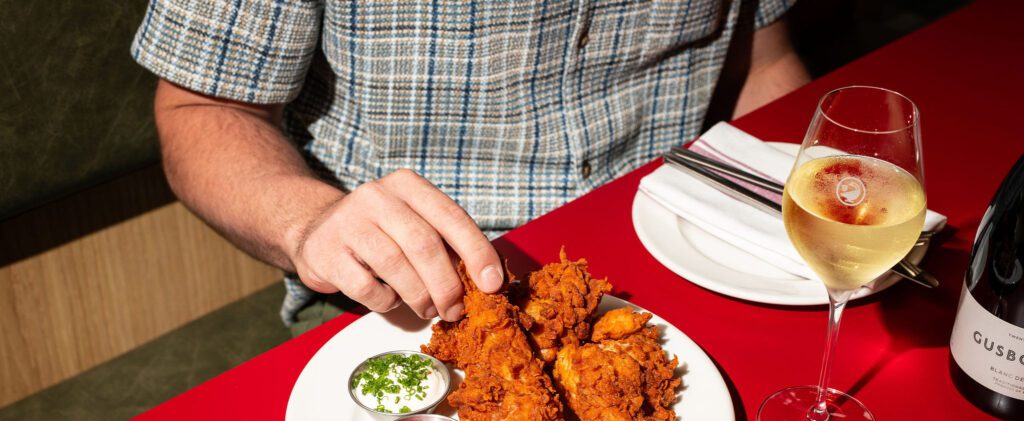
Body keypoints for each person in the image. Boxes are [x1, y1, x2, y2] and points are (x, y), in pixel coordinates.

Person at [132, 1, 808, 326]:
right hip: (408, 298)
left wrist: (820, 212)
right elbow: (201, 113)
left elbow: (764, 62)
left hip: (683, 262)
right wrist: (310, 223)